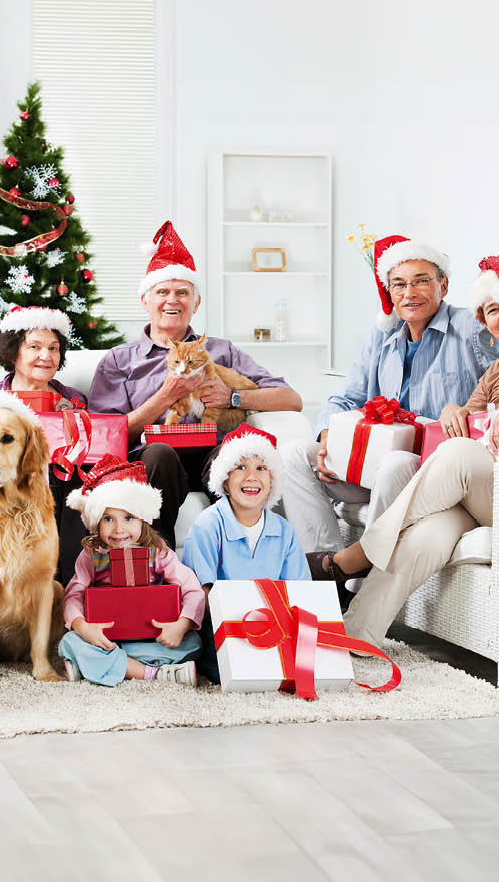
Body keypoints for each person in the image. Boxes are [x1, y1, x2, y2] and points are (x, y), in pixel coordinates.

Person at [316, 251, 499, 646]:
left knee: (457, 455)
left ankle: (359, 554)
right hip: (486, 499)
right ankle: (356, 635)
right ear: (484, 322)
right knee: (427, 535)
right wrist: (454, 410)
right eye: (492, 310)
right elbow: (467, 415)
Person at [280, 233, 499, 581]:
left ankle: (365, 576)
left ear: (443, 286)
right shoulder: (382, 337)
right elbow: (345, 398)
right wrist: (327, 436)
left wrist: (466, 409)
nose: (409, 293)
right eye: (399, 285)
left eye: (421, 282)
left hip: (432, 469)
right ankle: (327, 573)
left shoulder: (471, 328)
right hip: (374, 464)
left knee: (394, 463)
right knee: (296, 454)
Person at [89, 220, 302, 545]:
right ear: (145, 300)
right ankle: (157, 562)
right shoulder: (120, 360)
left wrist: (234, 398)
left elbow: (290, 399)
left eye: (182, 293)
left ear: (196, 303)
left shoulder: (220, 350)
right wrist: (165, 397)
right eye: (162, 291)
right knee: (159, 453)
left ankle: (244, 560)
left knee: (236, 454)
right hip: (154, 459)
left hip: (211, 453)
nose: (172, 300)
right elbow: (103, 436)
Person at [58, 455, 206, 686]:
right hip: (107, 638)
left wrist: (181, 625)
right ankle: (153, 673)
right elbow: (73, 595)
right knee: (70, 641)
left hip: (148, 639)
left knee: (193, 642)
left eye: (128, 518)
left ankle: (101, 666)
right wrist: (83, 627)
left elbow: (193, 589)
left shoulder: (158, 552)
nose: (119, 529)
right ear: (97, 522)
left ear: (142, 521)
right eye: (108, 519)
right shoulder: (91, 555)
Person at [0, 304, 88, 584]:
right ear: (13, 351)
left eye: (54, 348)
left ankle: (70, 588)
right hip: (6, 484)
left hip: (62, 485)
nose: (45, 356)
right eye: (34, 347)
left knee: (71, 481)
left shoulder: (74, 400)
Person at [183, 424, 310, 682]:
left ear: (272, 480)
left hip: (274, 628)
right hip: (223, 630)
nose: (252, 476)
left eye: (261, 468)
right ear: (224, 480)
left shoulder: (283, 531)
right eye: (241, 467)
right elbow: (201, 596)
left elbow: (299, 591)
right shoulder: (208, 526)